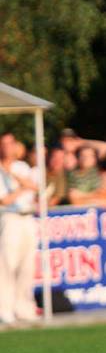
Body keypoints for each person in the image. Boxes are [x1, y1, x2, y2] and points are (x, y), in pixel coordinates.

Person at [0, 132, 40, 324]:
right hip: (10, 218)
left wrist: (13, 175)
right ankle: (5, 309)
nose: (8, 148)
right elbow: (5, 200)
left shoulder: (21, 166)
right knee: (7, 265)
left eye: (10, 144)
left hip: (27, 216)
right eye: (4, 144)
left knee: (27, 265)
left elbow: (33, 186)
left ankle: (24, 307)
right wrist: (21, 187)